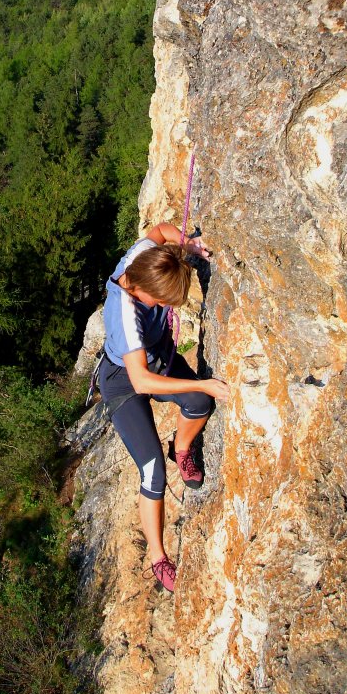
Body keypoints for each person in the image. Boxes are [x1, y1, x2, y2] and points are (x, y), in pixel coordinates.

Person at [98, 222, 229, 591]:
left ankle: (182, 447)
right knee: (152, 471)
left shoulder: (144, 257)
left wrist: (188, 247)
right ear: (139, 291)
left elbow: (159, 230)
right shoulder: (125, 315)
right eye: (160, 302)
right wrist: (201, 379)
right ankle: (158, 558)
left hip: (156, 358)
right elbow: (141, 382)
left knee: (199, 403)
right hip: (125, 380)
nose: (163, 307)